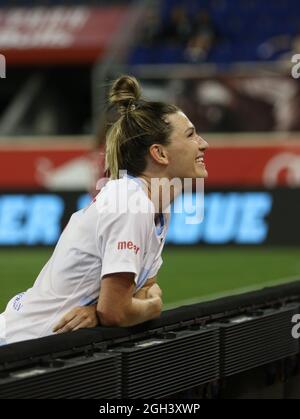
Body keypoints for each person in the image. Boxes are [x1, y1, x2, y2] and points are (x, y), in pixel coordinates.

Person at [0, 75, 208, 345]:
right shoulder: (130, 203)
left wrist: (104, 311)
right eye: (191, 135)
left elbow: (144, 289)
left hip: (42, 347)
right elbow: (120, 311)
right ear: (160, 154)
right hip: (19, 348)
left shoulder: (156, 208)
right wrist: (149, 307)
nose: (203, 143)